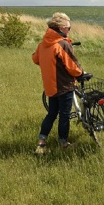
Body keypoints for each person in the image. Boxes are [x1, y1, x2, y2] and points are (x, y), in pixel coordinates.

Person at [32, 12, 83, 154]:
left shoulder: (43, 44)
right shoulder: (62, 44)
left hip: (50, 86)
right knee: (64, 115)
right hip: (64, 86)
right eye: (68, 28)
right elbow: (73, 67)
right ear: (60, 28)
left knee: (52, 114)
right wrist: (82, 74)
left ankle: (41, 143)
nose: (69, 30)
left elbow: (36, 59)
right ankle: (63, 143)